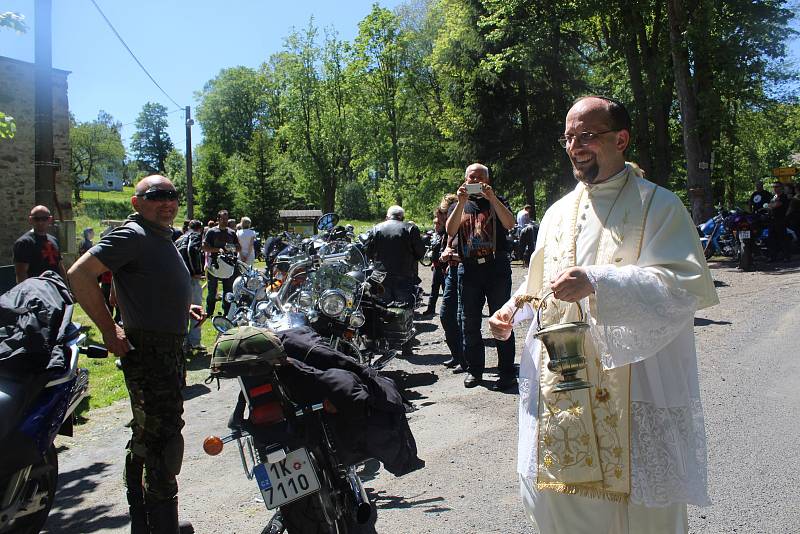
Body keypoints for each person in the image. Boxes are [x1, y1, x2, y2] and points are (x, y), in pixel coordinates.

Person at [487, 96, 719, 534]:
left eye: (587, 135)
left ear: (621, 139)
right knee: (555, 498)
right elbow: (537, 283)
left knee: (639, 511)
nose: (576, 146)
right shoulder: (557, 213)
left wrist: (598, 282)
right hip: (561, 383)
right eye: (569, 137)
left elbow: (684, 287)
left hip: (631, 385)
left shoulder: (660, 206)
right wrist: (509, 313)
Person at [68, 175, 203, 533]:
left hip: (164, 346)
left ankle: (144, 522)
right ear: (136, 202)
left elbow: (123, 290)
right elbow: (80, 275)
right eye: (157, 196)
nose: (167, 202)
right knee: (164, 439)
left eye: (172, 195)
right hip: (151, 352)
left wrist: (180, 307)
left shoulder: (157, 236)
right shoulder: (133, 234)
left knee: (147, 436)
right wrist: (110, 330)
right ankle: (163, 525)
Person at [445, 163, 516, 391]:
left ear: (487, 180)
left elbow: (510, 223)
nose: (474, 181)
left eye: (479, 178)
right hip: (469, 269)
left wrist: (492, 198)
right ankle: (475, 371)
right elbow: (450, 230)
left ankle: (506, 373)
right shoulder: (459, 204)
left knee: (501, 320)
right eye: (470, 177)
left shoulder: (498, 200)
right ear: (465, 179)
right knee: (469, 322)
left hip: (496, 267)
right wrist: (462, 202)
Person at [369, 205, 426, 304]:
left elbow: (368, 251)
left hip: (381, 275)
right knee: (404, 307)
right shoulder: (411, 228)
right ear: (402, 217)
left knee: (381, 308)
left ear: (387, 216)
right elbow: (420, 252)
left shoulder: (376, 228)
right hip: (404, 274)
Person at [13, 205, 67, 283]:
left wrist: (67, 289)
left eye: (44, 219)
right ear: (30, 220)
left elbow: (60, 266)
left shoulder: (54, 240)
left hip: (55, 287)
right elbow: (21, 274)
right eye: (36, 219)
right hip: (36, 290)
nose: (40, 222)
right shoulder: (24, 243)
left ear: (50, 219)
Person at [424, 194, 458, 316]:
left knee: (450, 303)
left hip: (452, 267)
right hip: (441, 265)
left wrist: (451, 259)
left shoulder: (455, 227)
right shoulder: (441, 234)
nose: (439, 223)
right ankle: (431, 308)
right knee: (435, 289)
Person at [202, 209, 241, 316]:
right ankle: (209, 312)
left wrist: (230, 247)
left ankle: (227, 312)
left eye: (226, 218)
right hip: (214, 266)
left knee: (228, 290)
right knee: (212, 291)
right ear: (218, 219)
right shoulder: (211, 232)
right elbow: (204, 247)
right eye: (222, 219)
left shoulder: (232, 232)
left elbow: (239, 248)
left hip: (228, 266)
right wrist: (217, 250)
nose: (225, 221)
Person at [176, 220, 206, 354]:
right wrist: (196, 272)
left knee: (182, 310)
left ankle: (182, 343)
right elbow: (192, 250)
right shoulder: (195, 236)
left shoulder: (180, 238)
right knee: (197, 309)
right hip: (190, 278)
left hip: (179, 278)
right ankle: (194, 341)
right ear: (200, 229)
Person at [767, 181, 790, 262]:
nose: (775, 188)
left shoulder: (784, 197)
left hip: (781, 220)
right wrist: (770, 206)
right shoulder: (773, 197)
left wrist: (770, 205)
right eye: (774, 187)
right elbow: (769, 206)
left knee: (782, 239)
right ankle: (772, 256)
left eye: (777, 186)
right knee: (771, 239)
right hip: (772, 221)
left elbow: (774, 205)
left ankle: (786, 256)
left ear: (781, 188)